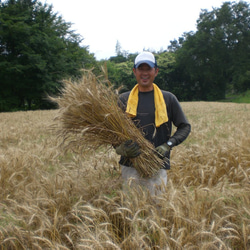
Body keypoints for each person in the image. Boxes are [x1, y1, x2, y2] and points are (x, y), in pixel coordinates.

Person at [115, 51, 191, 196]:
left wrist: (168, 145)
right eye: (140, 69)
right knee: (132, 210)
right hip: (130, 166)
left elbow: (185, 127)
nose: (144, 73)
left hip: (157, 165)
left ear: (156, 71)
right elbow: (112, 132)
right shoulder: (123, 100)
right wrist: (119, 148)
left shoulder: (168, 99)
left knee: (157, 211)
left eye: (148, 69)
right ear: (134, 71)